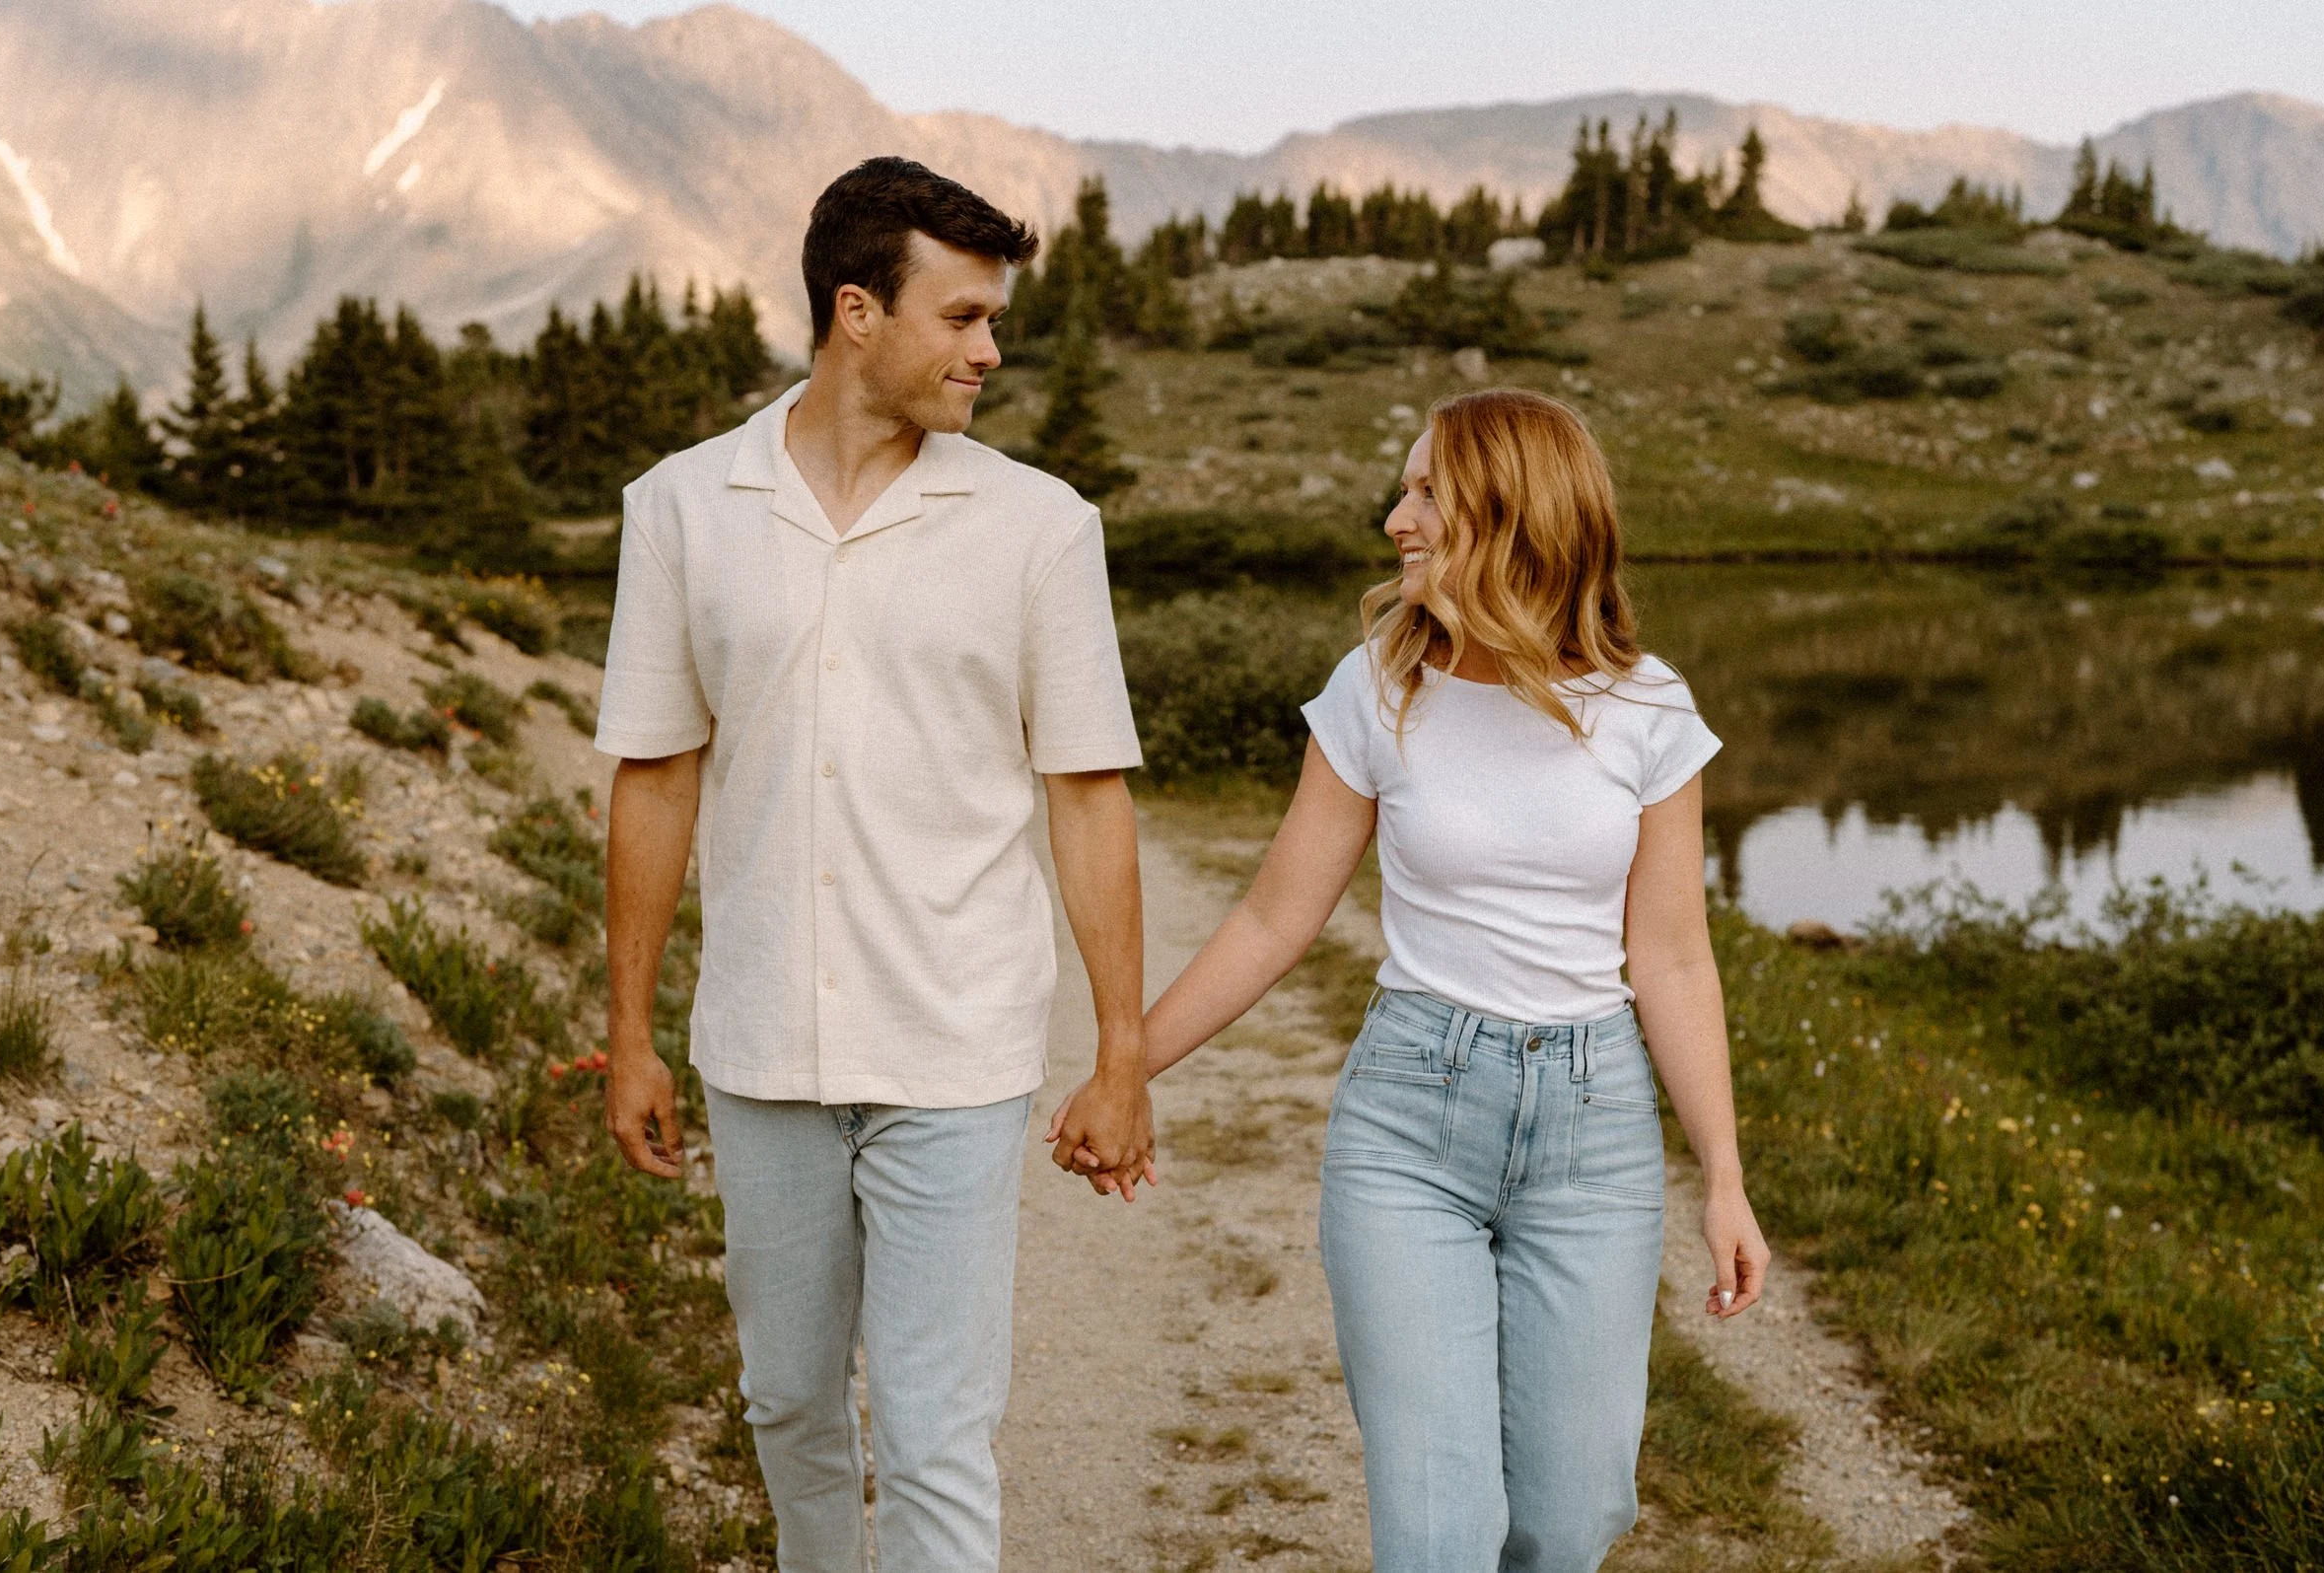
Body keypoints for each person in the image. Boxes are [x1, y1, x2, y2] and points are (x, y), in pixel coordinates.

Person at [1054, 388, 1770, 1569]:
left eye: (1428, 491)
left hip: (1592, 1135)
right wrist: (1125, 1063)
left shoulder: (1646, 706)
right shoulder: (1378, 686)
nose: (1397, 519)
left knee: (1572, 1515)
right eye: (1404, 490)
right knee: (1440, 1532)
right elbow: (1274, 917)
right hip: (1410, 1127)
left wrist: (1724, 1178)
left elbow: (1673, 956)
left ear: (1514, 509)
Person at [597, 156, 1156, 1573]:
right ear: (858, 311)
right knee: (788, 1403)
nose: (990, 350)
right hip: (760, 1047)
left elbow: (1088, 795)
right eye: (961, 317)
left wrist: (1122, 1052)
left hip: (957, 1048)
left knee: (932, 1437)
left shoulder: (1041, 527)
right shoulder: (681, 507)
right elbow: (654, 775)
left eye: (993, 319)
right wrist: (630, 1033)